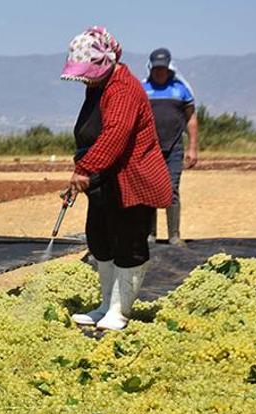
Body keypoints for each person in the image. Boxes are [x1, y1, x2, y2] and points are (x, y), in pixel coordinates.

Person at [60, 27, 172, 331]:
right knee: (99, 240)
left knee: (128, 244)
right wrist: (84, 168)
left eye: (87, 72)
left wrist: (85, 169)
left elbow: (115, 136)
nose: (83, 78)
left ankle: (120, 311)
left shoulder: (123, 88)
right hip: (105, 181)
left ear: (104, 63)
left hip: (131, 182)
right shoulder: (98, 85)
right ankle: (105, 304)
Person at [142, 48, 199, 245]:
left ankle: (174, 235)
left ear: (169, 68)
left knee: (171, 188)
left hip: (174, 147)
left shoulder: (181, 89)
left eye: (163, 68)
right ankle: (150, 234)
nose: (159, 72)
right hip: (148, 149)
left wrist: (192, 147)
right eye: (156, 68)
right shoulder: (142, 88)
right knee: (149, 190)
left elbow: (191, 118)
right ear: (150, 68)